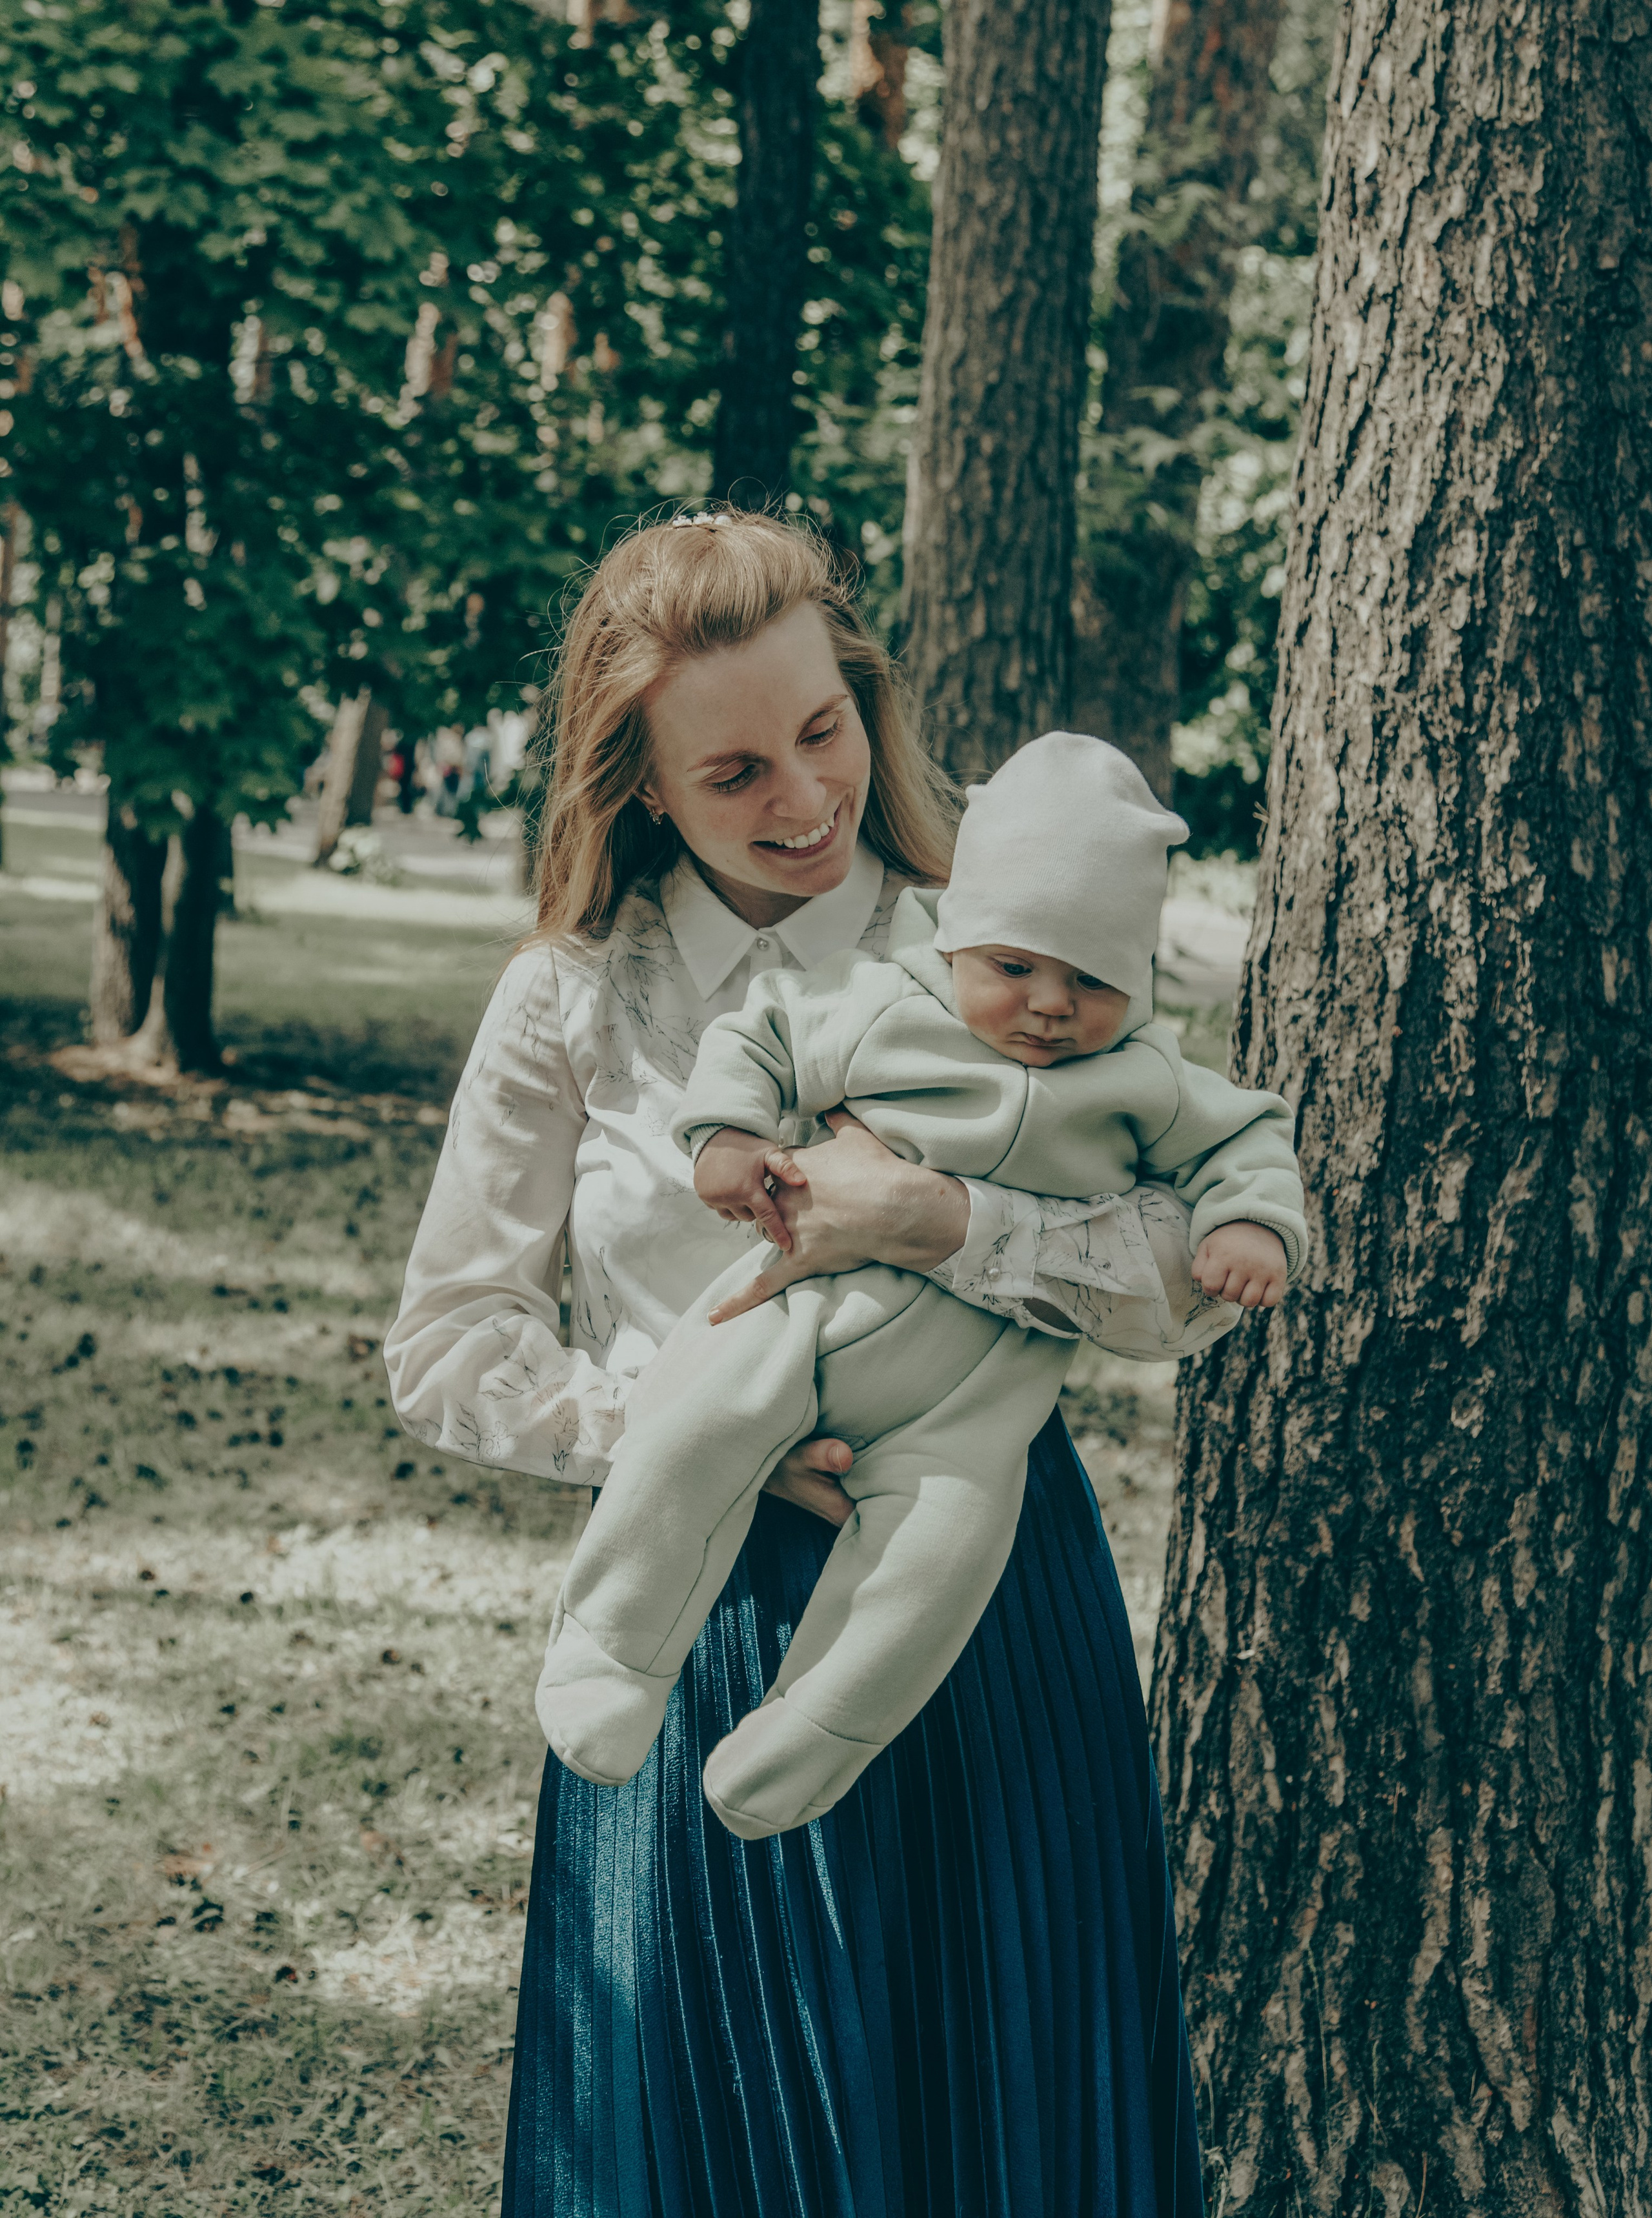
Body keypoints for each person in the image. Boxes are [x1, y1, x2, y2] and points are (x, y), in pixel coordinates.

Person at [385, 509, 1207, 2215]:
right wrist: (703, 1425)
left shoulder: (1004, 947)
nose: (802, 799)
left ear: (868, 698)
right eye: (736, 769)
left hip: (990, 1598)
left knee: (1001, 2108)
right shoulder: (571, 997)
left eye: (823, 731)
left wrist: (944, 1222)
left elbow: (1171, 1275)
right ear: (644, 791)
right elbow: (450, 1343)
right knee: (710, 2131)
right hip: (696, 1618)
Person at [538, 732, 1304, 1840]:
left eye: (1090, 980)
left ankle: (806, 1739)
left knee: (936, 1564)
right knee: (693, 1426)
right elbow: (762, 1038)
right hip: (799, 1324)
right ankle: (610, 1650)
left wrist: (1251, 1224)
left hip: (970, 1413)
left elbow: (1251, 1145)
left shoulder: (1148, 1081)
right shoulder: (887, 1003)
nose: (1048, 1003)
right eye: (1013, 966)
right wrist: (726, 1138)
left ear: (1134, 982)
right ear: (958, 941)